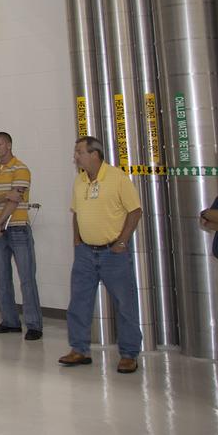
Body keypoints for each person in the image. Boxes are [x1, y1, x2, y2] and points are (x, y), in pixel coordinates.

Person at [59, 136, 143, 374]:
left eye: (79, 152)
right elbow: (76, 212)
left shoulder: (117, 178)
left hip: (113, 253)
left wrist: (123, 240)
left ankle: (128, 354)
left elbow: (135, 211)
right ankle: (79, 349)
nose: (75, 156)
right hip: (85, 253)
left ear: (94, 154)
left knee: (125, 304)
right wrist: (76, 240)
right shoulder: (80, 180)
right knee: (79, 302)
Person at [0, 132, 42, 340]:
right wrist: (3, 196)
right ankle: (10, 321)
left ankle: (34, 324)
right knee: (2, 279)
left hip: (17, 228)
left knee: (27, 278)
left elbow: (15, 198)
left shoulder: (21, 168)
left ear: (9, 145)